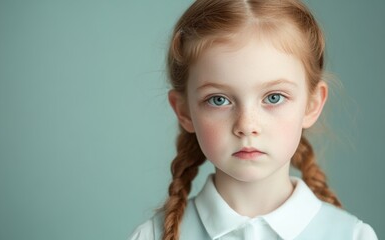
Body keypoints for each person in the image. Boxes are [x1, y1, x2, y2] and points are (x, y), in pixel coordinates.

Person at [129, 0, 378, 239]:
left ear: (311, 105)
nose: (247, 126)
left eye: (274, 97)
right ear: (184, 111)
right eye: (218, 100)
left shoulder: (354, 236)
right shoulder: (151, 236)